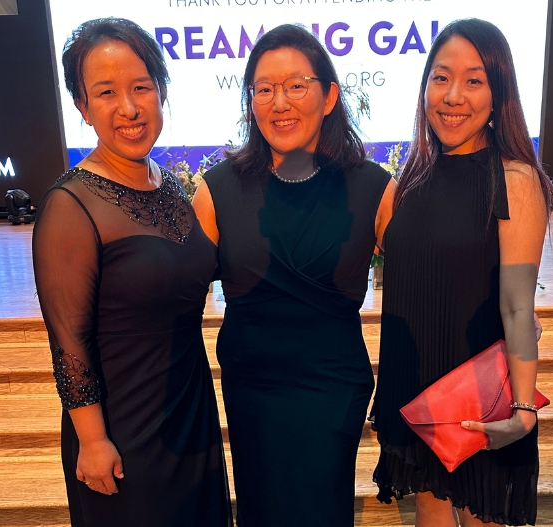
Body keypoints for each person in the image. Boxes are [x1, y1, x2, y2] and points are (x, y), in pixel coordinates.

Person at [192, 23, 395, 527]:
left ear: (329, 96)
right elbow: (175, 300)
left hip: (332, 387)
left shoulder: (375, 188)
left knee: (323, 510)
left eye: (296, 85)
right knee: (262, 510)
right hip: (252, 388)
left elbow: (424, 287)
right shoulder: (215, 190)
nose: (279, 102)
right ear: (251, 101)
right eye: (264, 89)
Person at [32, 18, 232, 527]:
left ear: (160, 91)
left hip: (189, 413)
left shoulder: (166, 185)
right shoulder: (70, 205)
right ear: (83, 107)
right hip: (123, 431)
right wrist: (93, 440)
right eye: (105, 93)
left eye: (141, 87)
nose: (128, 107)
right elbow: (68, 343)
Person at [370, 18, 553, 527]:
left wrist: (523, 409)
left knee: (482, 513)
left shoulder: (514, 180)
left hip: (479, 396)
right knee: (429, 513)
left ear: (498, 96)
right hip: (416, 382)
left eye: (474, 80)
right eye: (440, 77)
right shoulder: (409, 179)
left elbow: (518, 305)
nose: (453, 96)